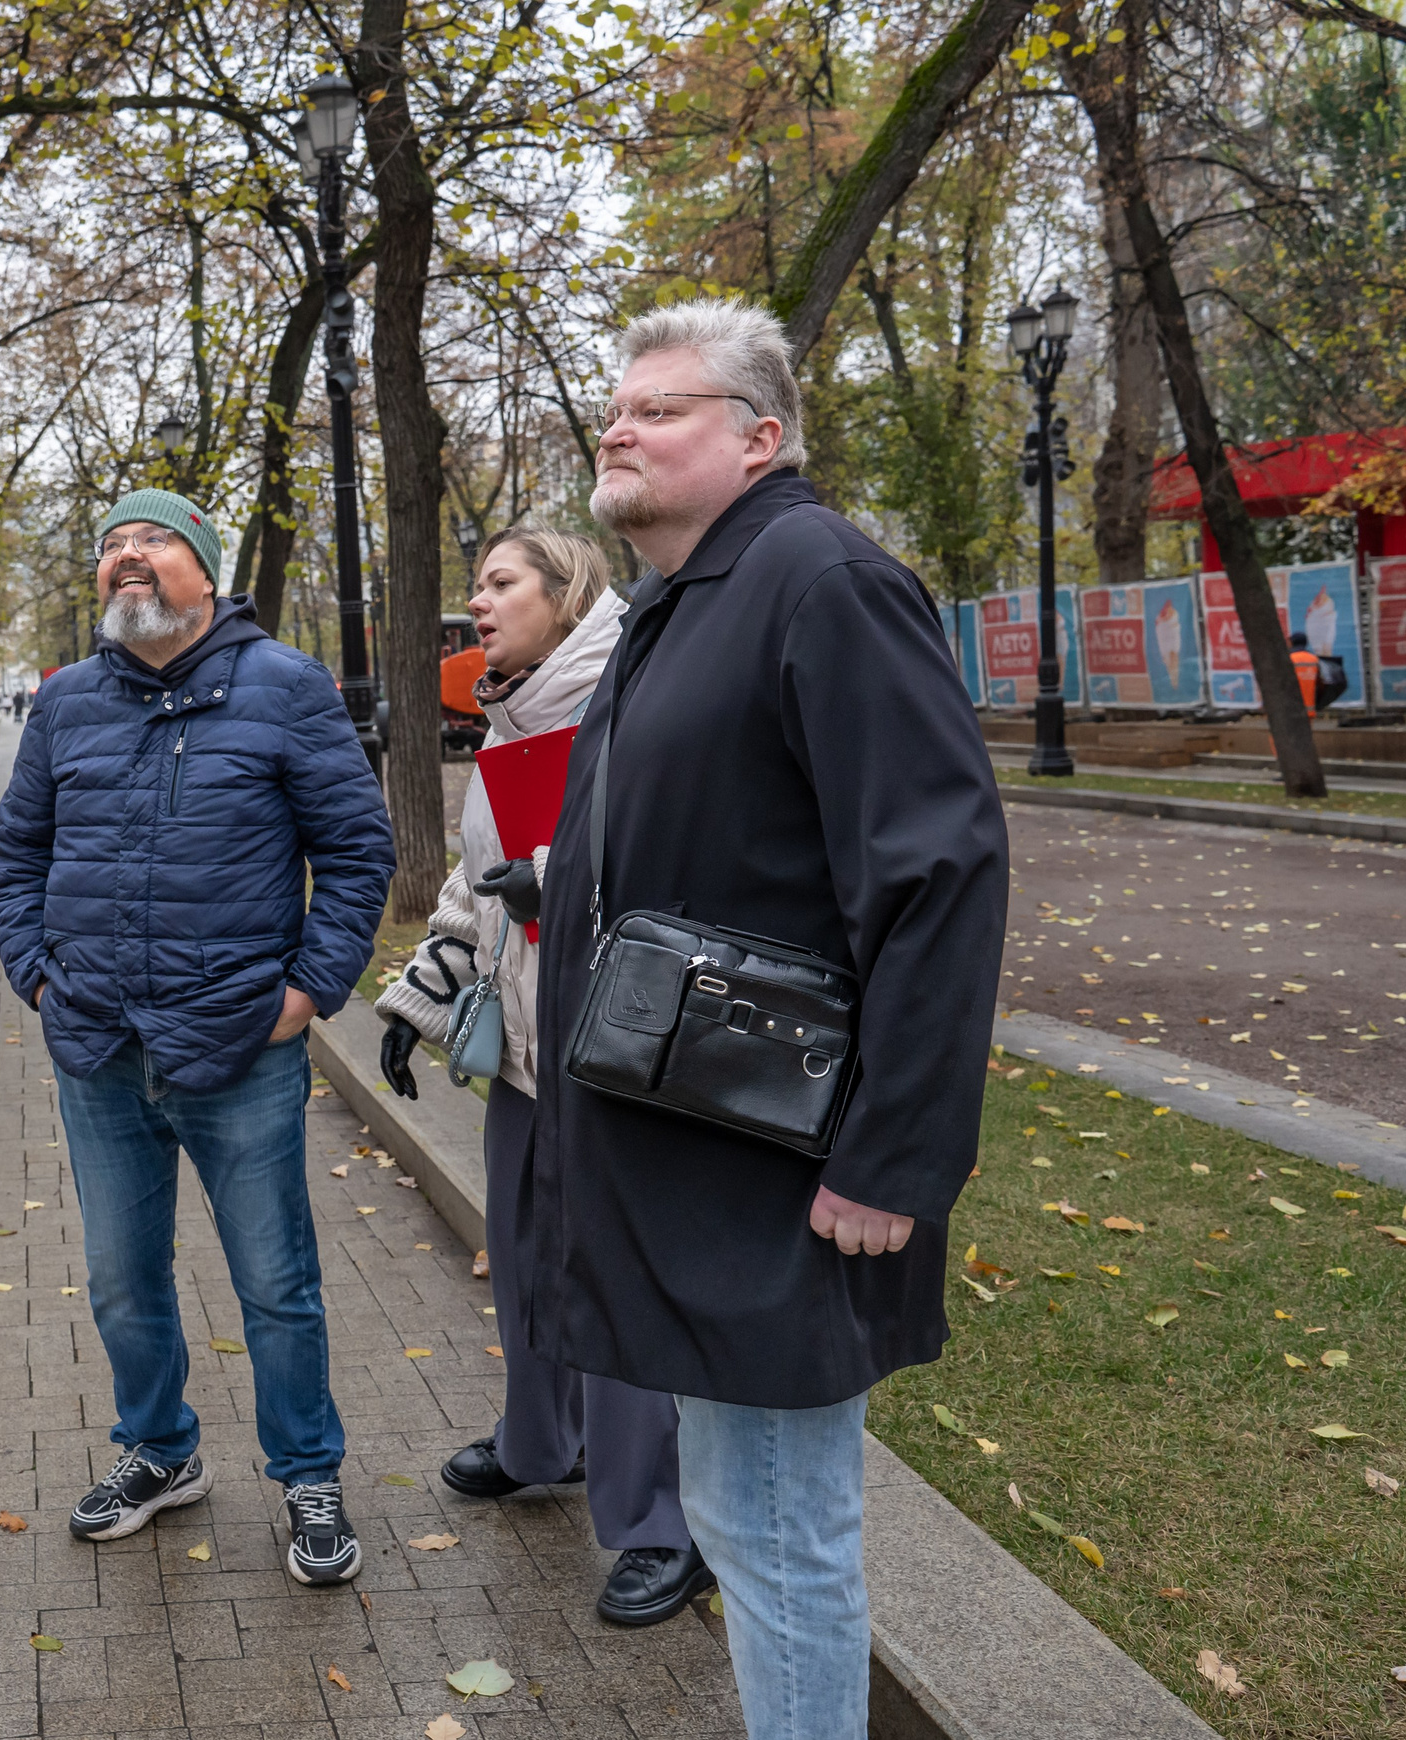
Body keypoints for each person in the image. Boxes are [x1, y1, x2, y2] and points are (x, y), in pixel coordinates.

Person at [527, 298, 1008, 1737]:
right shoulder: (695, 597)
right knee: (744, 1522)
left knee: (784, 1539)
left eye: (660, 408)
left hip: (792, 1172)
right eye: (615, 406)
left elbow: (941, 877)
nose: (618, 423)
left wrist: (890, 1160)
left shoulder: (819, 578)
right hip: (704, 1152)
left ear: (760, 438)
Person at [0, 487, 395, 1585]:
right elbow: (17, 852)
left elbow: (358, 854)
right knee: (123, 1280)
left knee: (275, 1283)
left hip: (239, 1049)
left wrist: (307, 992)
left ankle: (308, 1473)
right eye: (110, 543)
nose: (126, 556)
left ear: (205, 570)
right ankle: (159, 1455)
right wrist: (33, 973)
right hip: (98, 1047)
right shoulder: (68, 702)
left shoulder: (285, 687)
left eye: (152, 540)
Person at [373, 526, 708, 1627]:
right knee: (521, 1255)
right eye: (474, 582)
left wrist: (551, 878)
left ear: (567, 593)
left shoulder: (635, 690)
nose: (478, 601)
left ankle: (660, 1522)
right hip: (524, 1043)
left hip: (613, 1042)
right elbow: (477, 889)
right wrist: (419, 1005)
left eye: (499, 582)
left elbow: (684, 854)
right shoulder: (511, 708)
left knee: (610, 1271)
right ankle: (542, 1444)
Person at [1288, 630, 1321, 714]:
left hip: (1290, 710)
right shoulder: (1314, 659)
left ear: (1292, 643)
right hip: (1309, 710)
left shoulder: (1288, 659)